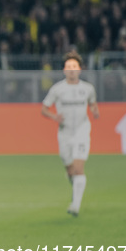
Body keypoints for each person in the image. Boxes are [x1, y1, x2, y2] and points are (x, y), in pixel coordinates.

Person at [41, 52, 99, 216]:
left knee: (79, 169)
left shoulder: (87, 89)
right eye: (69, 67)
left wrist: (95, 111)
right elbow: (44, 109)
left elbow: (93, 104)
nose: (72, 70)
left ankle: (75, 205)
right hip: (64, 132)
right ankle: (76, 190)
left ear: (80, 69)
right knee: (70, 171)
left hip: (82, 130)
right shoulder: (57, 89)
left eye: (75, 67)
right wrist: (54, 117)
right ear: (64, 70)